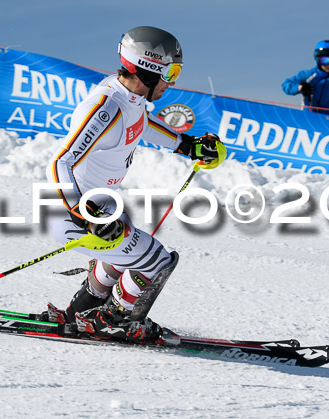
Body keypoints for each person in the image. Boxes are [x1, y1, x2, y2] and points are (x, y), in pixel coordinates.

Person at [44, 26, 224, 343]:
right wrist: (84, 213)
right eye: (171, 71)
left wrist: (188, 145)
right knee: (156, 260)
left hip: (95, 209)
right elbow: (60, 163)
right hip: (71, 212)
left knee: (118, 262)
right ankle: (116, 319)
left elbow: (142, 124)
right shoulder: (105, 107)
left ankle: (79, 313)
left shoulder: (130, 100)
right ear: (149, 68)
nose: (172, 81)